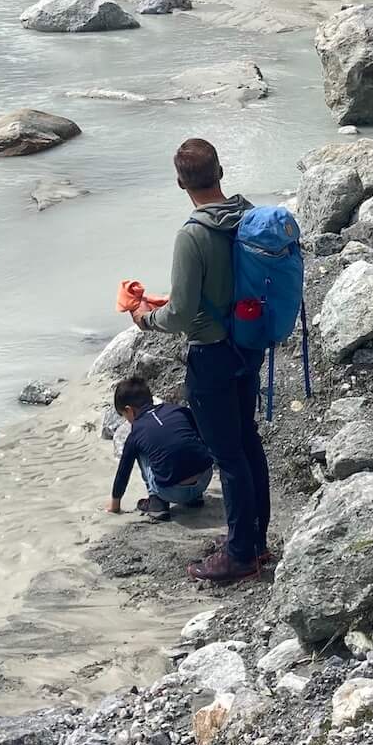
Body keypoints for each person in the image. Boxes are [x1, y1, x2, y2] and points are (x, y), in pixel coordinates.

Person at [129, 137, 270, 583]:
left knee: (228, 456)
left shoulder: (193, 234)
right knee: (247, 443)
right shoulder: (247, 216)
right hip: (248, 344)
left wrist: (145, 318)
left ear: (180, 183)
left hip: (211, 354)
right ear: (221, 172)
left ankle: (240, 555)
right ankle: (254, 542)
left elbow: (183, 313)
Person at [106, 376, 213, 521]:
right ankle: (193, 498)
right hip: (204, 479)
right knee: (179, 441)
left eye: (125, 416)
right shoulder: (178, 410)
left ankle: (157, 503)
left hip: (172, 491)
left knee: (142, 451)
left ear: (129, 410)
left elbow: (123, 473)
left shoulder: (136, 432)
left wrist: (114, 506)